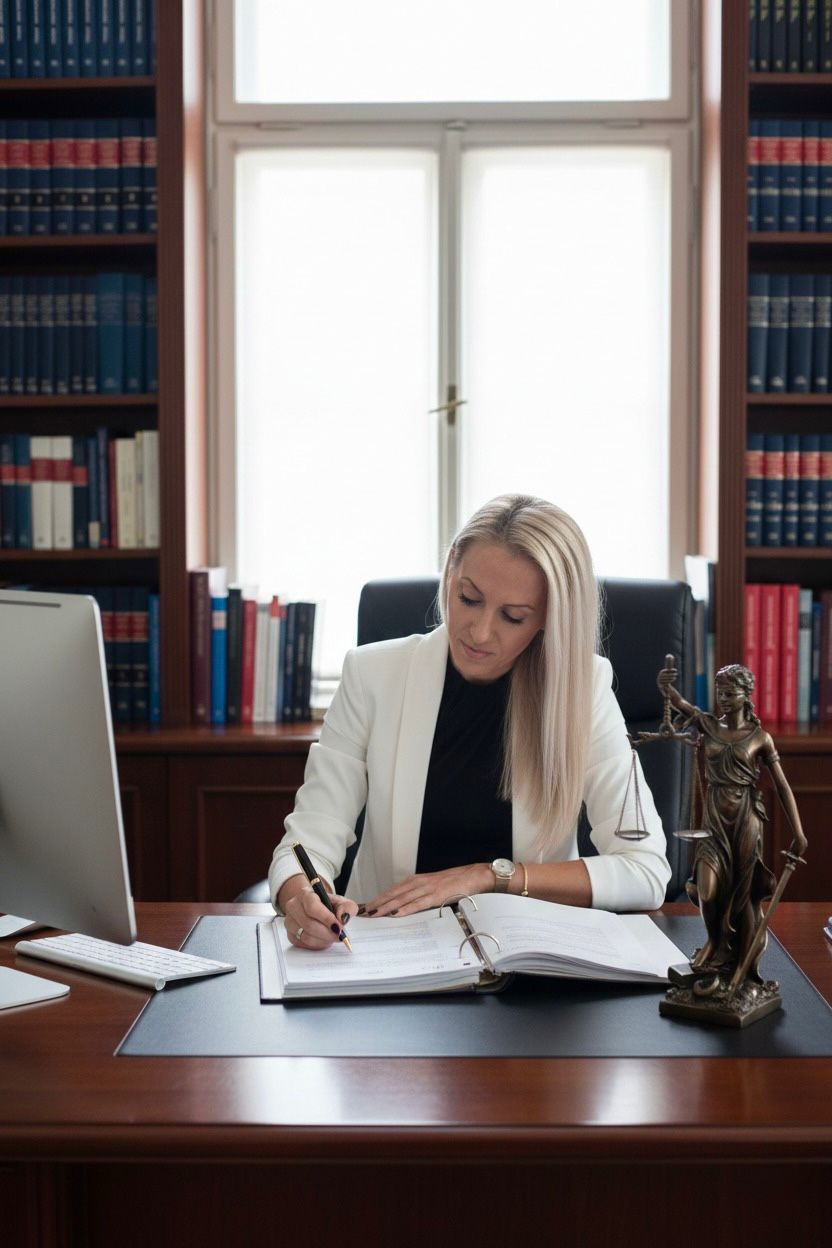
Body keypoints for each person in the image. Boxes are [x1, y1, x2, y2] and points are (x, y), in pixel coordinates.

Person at [270, 494, 671, 951]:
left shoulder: (583, 689)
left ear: (549, 619)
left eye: (513, 616)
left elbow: (644, 871)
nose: (479, 632)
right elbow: (307, 841)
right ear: (450, 574)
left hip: (527, 961)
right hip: (390, 952)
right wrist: (301, 897)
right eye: (469, 598)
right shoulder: (371, 675)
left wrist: (487, 877)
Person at [656, 661, 808, 982]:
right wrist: (666, 686)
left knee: (744, 896)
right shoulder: (709, 725)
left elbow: (781, 786)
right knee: (707, 889)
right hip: (714, 821)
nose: (723, 699)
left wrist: (798, 832)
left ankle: (742, 967)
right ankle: (715, 943)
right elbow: (682, 704)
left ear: (746, 694)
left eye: (730, 693)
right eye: (720, 692)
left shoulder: (760, 738)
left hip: (745, 821)